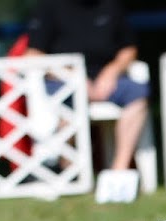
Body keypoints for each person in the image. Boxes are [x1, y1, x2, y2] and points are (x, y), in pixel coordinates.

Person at [24, 0, 149, 175]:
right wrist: (74, 77)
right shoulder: (49, 6)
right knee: (66, 108)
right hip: (62, 80)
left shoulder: (111, 5)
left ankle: (119, 171)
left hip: (106, 78)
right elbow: (33, 54)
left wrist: (112, 71)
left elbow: (129, 48)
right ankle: (68, 171)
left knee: (138, 93)